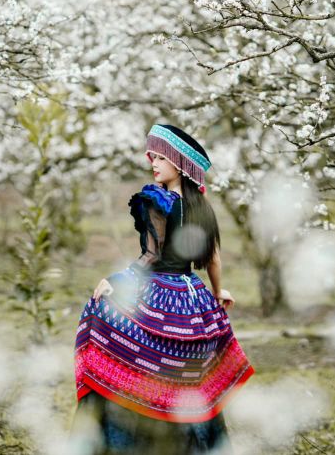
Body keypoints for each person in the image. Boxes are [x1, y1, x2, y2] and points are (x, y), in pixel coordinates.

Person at [71, 124, 254, 455]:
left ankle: (130, 438)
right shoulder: (201, 206)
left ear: (179, 162)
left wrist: (116, 280)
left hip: (160, 293)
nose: (153, 162)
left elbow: (152, 256)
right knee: (185, 377)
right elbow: (212, 257)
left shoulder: (157, 201)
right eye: (152, 156)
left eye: (159, 157)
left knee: (107, 332)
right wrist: (216, 292)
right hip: (192, 297)